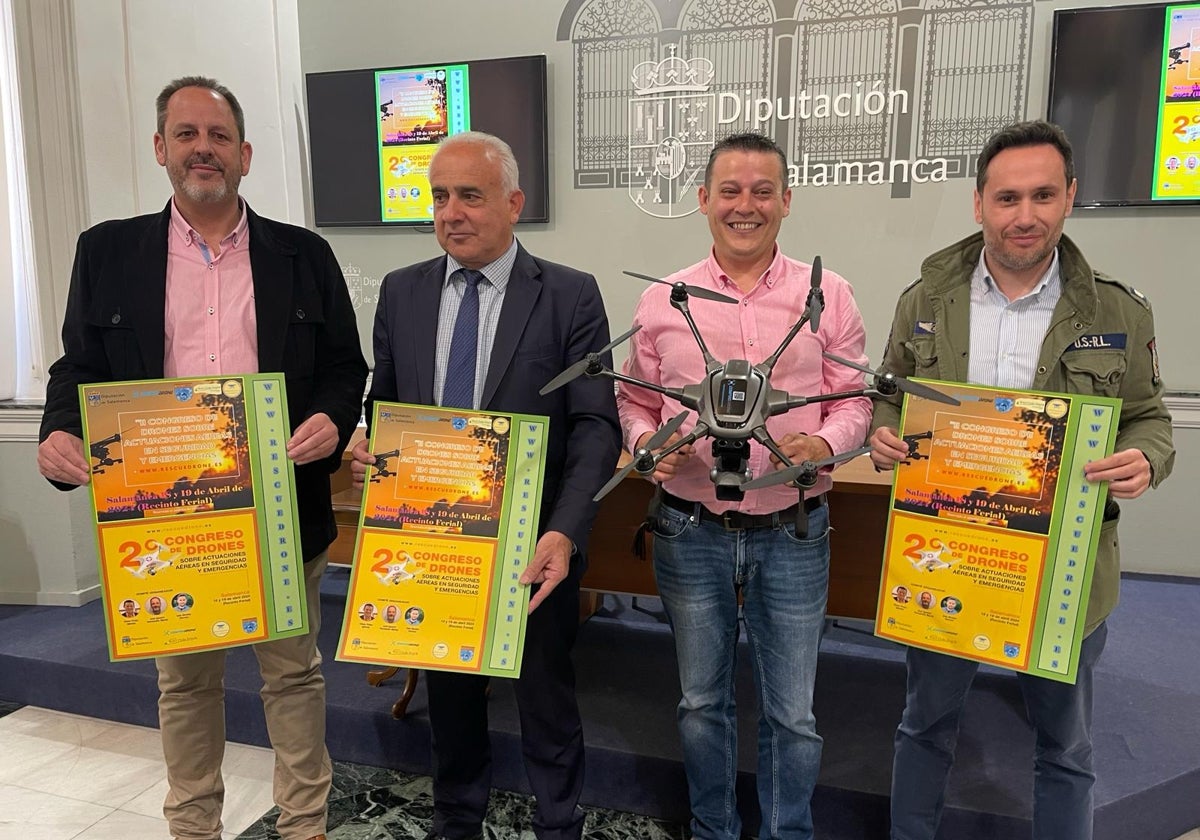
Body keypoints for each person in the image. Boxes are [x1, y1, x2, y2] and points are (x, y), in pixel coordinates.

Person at [37, 76, 367, 840]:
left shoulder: (304, 254)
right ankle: (194, 828)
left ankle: (304, 827)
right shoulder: (108, 252)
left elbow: (344, 368)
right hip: (166, 519)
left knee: (293, 677)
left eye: (218, 136)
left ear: (245, 155)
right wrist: (60, 431)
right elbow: (77, 368)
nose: (203, 149)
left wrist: (329, 415)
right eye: (186, 134)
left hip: (283, 507)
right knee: (185, 688)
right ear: (161, 148)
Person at [869, 120, 1175, 840]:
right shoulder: (925, 300)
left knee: (1065, 746)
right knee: (923, 727)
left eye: (1043, 195)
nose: (1025, 215)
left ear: (1069, 196)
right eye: (1007, 198)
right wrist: (882, 428)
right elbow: (890, 392)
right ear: (979, 203)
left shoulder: (1118, 311)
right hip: (948, 557)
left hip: (1062, 570)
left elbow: (1150, 418)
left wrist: (1147, 458)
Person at [350, 131, 620, 840]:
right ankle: (456, 818)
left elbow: (596, 427)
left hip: (535, 545)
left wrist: (565, 532)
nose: (451, 212)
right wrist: (369, 449)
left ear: (513, 202)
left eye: (470, 195)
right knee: (452, 697)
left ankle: (560, 823)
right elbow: (388, 408)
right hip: (436, 541)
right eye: (439, 196)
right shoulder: (403, 292)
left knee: (546, 699)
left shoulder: (568, 295)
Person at [617, 132, 872, 840]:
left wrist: (822, 441)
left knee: (794, 714)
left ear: (786, 201)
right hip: (687, 527)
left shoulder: (829, 295)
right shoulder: (663, 300)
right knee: (701, 703)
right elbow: (634, 402)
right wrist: (646, 446)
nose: (745, 205)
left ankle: (788, 832)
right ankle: (713, 830)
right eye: (730, 190)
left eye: (763, 191)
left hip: (793, 529)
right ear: (702, 199)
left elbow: (856, 398)